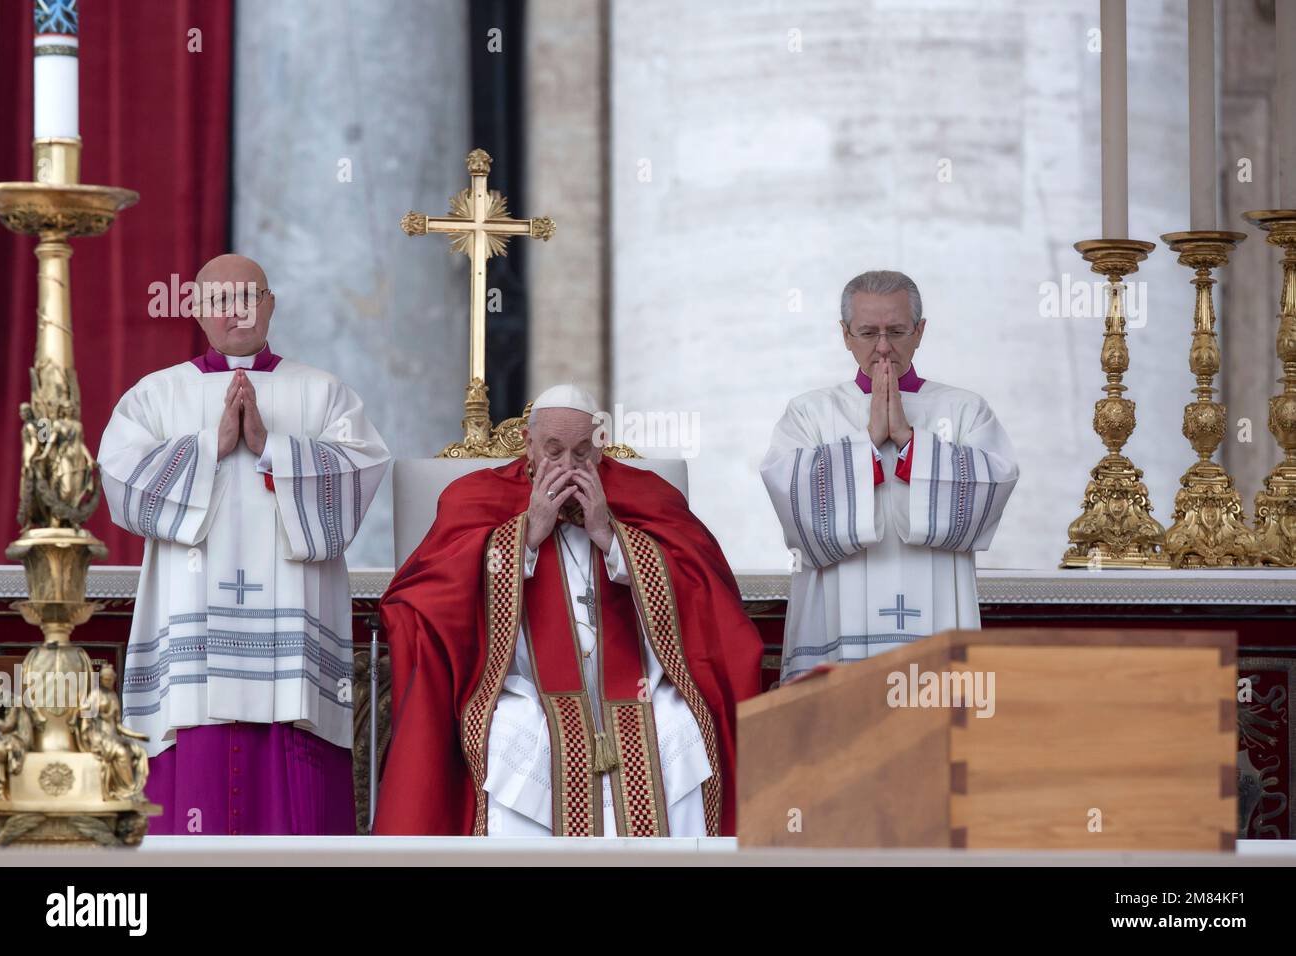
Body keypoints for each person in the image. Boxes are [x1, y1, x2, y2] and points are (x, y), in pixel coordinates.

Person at [375, 384, 762, 836]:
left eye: (582, 452)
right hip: (522, 689)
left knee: (677, 727)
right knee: (511, 738)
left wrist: (611, 536)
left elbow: (706, 588)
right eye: (553, 451)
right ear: (529, 445)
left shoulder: (647, 496)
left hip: (640, 688)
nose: (568, 467)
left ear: (600, 448)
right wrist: (526, 536)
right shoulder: (474, 497)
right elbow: (422, 600)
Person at [98, 253, 389, 835]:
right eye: (221, 300)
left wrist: (271, 447)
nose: (237, 311)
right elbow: (120, 481)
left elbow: (361, 470)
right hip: (196, 637)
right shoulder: (156, 395)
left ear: (271, 303)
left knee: (295, 795)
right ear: (198, 310)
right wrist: (212, 444)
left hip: (294, 652)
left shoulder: (323, 393)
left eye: (250, 296)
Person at [761, 270, 1018, 682]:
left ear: (920, 332)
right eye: (868, 332)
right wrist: (868, 443)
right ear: (845, 334)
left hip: (935, 620)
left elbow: (990, 488)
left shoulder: (965, 409)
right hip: (837, 624)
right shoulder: (809, 412)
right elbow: (794, 502)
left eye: (897, 331)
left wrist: (908, 441)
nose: (883, 348)